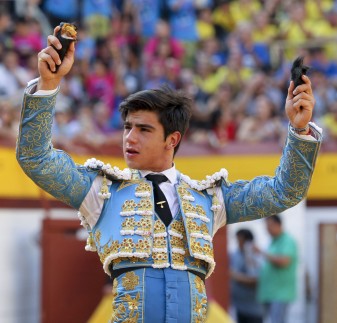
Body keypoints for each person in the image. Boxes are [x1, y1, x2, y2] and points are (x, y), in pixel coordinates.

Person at [16, 27, 322, 323]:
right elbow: (36, 158)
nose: (129, 138)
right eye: (127, 127)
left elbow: (286, 191)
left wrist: (299, 131)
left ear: (172, 140)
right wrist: (47, 86)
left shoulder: (210, 199)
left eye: (144, 129)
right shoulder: (100, 191)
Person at [256, 214, 298, 323]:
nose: (267, 229)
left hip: (280, 293)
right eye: (266, 226)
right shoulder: (272, 242)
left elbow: (284, 261)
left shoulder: (287, 240)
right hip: (269, 292)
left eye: (269, 226)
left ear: (278, 224)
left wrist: (262, 253)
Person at [229, 229, 263, 323]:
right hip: (239, 307)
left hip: (254, 310)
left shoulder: (256, 256)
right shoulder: (235, 255)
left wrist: (236, 276)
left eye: (240, 240)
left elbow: (255, 281)